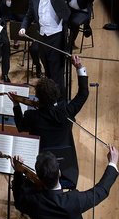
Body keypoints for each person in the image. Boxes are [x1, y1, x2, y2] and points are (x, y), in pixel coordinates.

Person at [13, 55, 90, 185]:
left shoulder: (32, 117)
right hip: (66, 166)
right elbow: (84, 93)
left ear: (37, 97)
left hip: (41, 167)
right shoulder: (66, 112)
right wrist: (79, 67)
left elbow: (20, 126)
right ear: (56, 94)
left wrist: (16, 104)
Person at [19, 0, 70, 90]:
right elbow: (29, 16)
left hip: (56, 37)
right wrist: (23, 27)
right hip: (42, 37)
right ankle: (50, 97)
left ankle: (59, 100)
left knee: (56, 71)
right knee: (47, 67)